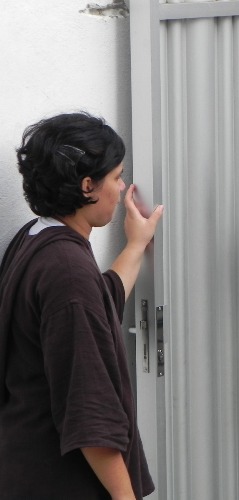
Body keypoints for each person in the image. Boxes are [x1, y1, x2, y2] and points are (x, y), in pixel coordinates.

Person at [0, 112, 164, 499]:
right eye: (116, 176)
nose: (122, 186)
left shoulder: (36, 237)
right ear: (87, 185)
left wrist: (136, 245)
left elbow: (99, 301)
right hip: (58, 480)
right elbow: (90, 412)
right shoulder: (67, 272)